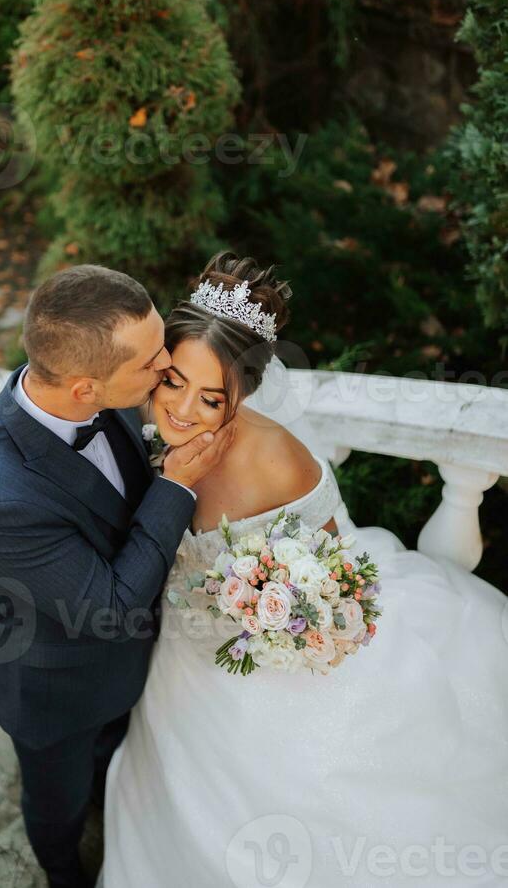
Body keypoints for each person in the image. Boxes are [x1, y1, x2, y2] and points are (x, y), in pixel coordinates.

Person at [102, 251, 508, 888]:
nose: (180, 410)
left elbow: (337, 562)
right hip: (184, 658)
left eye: (211, 399)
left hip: (273, 652)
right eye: (172, 381)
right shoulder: (142, 427)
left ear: (243, 393)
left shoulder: (277, 461)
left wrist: (298, 614)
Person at [0, 264, 235, 888]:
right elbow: (115, 608)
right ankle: (59, 870)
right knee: (58, 805)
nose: (168, 366)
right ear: (83, 389)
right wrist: (178, 484)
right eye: (153, 363)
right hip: (57, 690)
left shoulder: (91, 385)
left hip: (130, 669)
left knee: (113, 755)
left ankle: (112, 794)